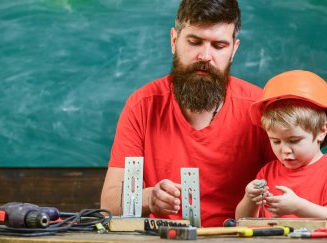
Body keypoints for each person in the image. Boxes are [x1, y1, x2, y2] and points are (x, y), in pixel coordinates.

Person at [101, 0, 275, 227]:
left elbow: (292, 189)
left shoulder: (260, 108)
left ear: (234, 50)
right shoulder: (142, 106)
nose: (205, 56)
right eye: (194, 42)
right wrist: (148, 198)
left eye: (219, 46)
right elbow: (108, 204)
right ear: (174, 41)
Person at [235, 70, 327, 228]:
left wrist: (299, 208)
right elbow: (242, 223)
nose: (284, 150)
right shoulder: (267, 173)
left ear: (321, 130)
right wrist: (249, 199)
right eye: (276, 141)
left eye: (294, 140)